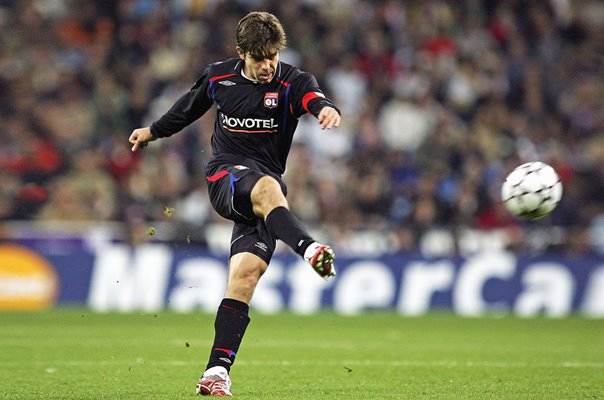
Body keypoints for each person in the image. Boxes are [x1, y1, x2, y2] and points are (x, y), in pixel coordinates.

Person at [128, 11, 340, 397]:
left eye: (273, 56)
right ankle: (309, 248)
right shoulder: (218, 77)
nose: (267, 65)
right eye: (259, 58)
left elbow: (314, 98)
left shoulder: (292, 81)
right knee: (267, 190)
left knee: (244, 278)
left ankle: (216, 372)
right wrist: (152, 132)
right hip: (225, 176)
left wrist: (326, 109)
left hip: (265, 196)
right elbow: (186, 109)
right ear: (241, 52)